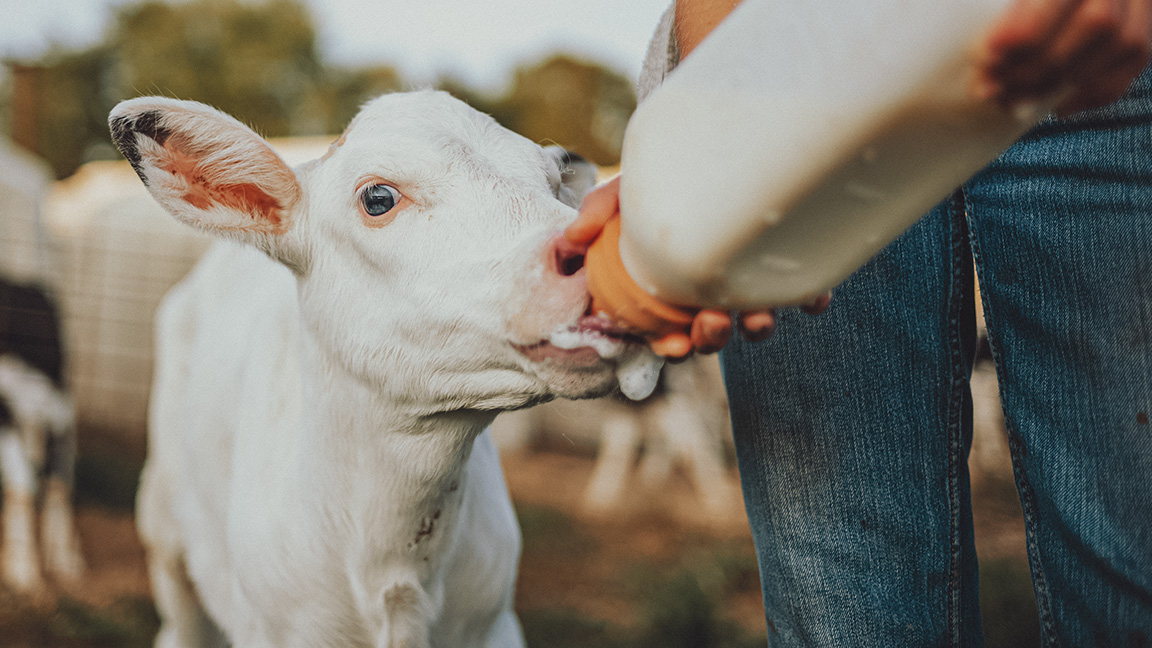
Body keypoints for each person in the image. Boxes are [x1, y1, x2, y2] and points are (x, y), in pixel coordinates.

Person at [567, 0, 1152, 644]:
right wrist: (718, 107)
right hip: (805, 54)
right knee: (846, 616)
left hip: (1099, 61)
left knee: (1130, 579)